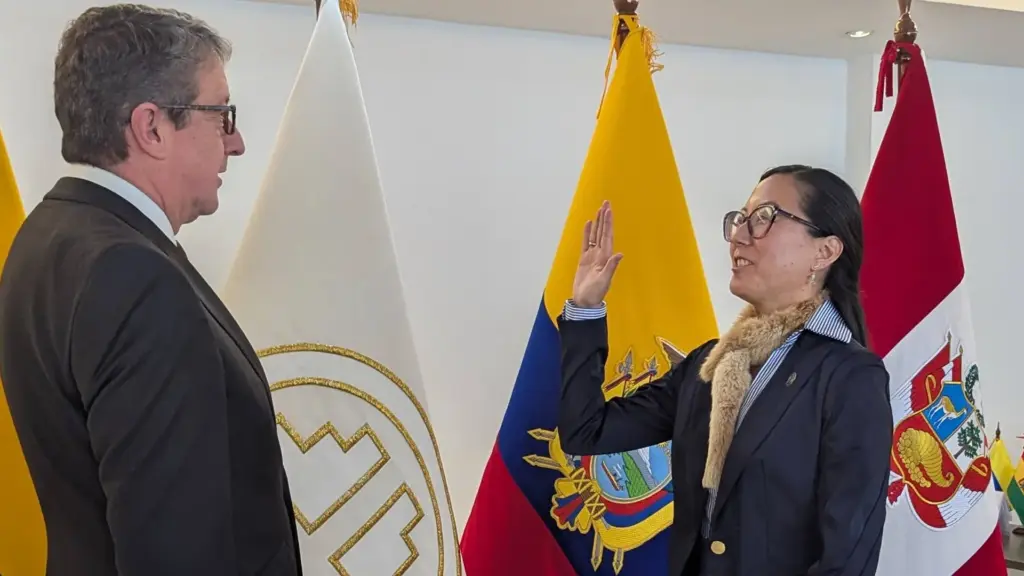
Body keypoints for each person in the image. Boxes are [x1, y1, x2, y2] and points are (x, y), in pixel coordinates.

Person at [0, 5, 301, 575]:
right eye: (221, 114)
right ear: (152, 127)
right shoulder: (135, 277)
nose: (236, 142)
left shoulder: (45, 239)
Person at [557, 165, 893, 575]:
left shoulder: (848, 376)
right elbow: (586, 430)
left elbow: (846, 560)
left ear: (824, 252)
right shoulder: (710, 364)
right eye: (740, 219)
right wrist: (586, 309)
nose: (738, 235)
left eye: (765, 218)